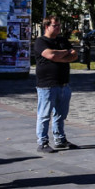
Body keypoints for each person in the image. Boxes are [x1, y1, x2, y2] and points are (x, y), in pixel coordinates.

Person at [34, 16, 79, 153]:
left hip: (63, 84)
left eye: (59, 25)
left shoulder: (62, 40)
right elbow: (51, 55)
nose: (58, 28)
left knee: (61, 114)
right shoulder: (41, 42)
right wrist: (65, 53)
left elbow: (74, 55)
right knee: (44, 115)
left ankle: (60, 139)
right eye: (55, 25)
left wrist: (61, 55)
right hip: (47, 84)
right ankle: (42, 142)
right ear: (46, 26)